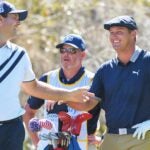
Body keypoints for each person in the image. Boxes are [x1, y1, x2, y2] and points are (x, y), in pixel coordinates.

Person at [0, 2, 88, 150]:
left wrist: (69, 95)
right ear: (0, 20)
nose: (19, 23)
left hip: (11, 130)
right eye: (14, 17)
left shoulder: (19, 54)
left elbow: (33, 87)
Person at [67, 15, 150, 150]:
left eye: (119, 32)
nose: (114, 36)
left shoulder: (147, 62)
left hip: (142, 138)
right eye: (111, 33)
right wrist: (63, 98)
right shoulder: (105, 70)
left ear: (133, 34)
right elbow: (89, 104)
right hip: (111, 138)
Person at [24, 34, 101, 150]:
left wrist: (103, 138)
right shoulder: (47, 79)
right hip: (50, 146)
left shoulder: (94, 81)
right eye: (63, 50)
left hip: (83, 145)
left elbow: (115, 110)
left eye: (72, 50)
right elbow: (28, 112)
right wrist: (37, 143)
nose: (66, 54)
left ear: (83, 55)